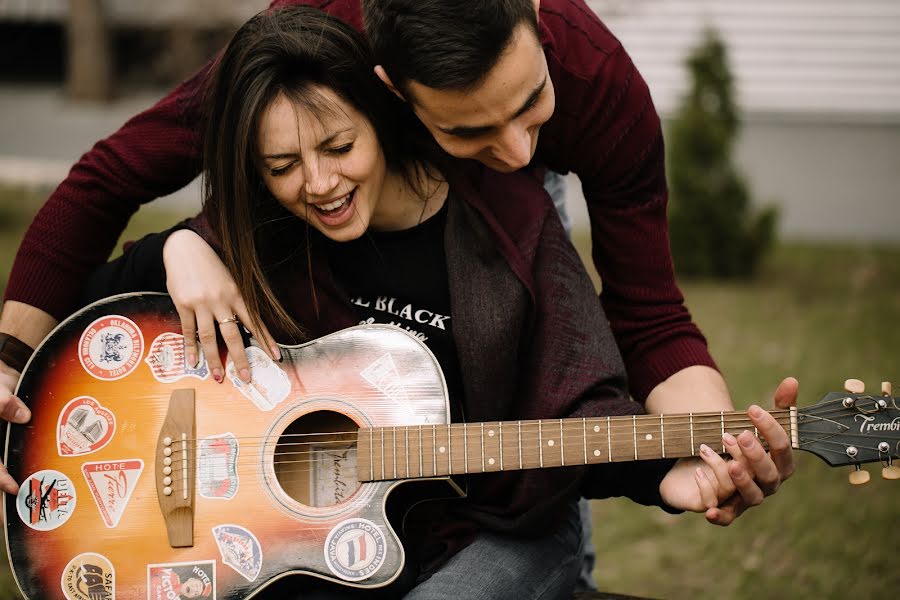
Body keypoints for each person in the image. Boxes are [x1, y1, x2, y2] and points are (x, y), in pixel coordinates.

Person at [69, 7, 790, 599]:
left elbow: (586, 399)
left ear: (380, 115)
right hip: (324, 552)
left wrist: (675, 469)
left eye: (340, 146)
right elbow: (92, 327)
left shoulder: (511, 228)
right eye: (283, 166)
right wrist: (173, 247)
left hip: (490, 528)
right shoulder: (268, 233)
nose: (318, 182)